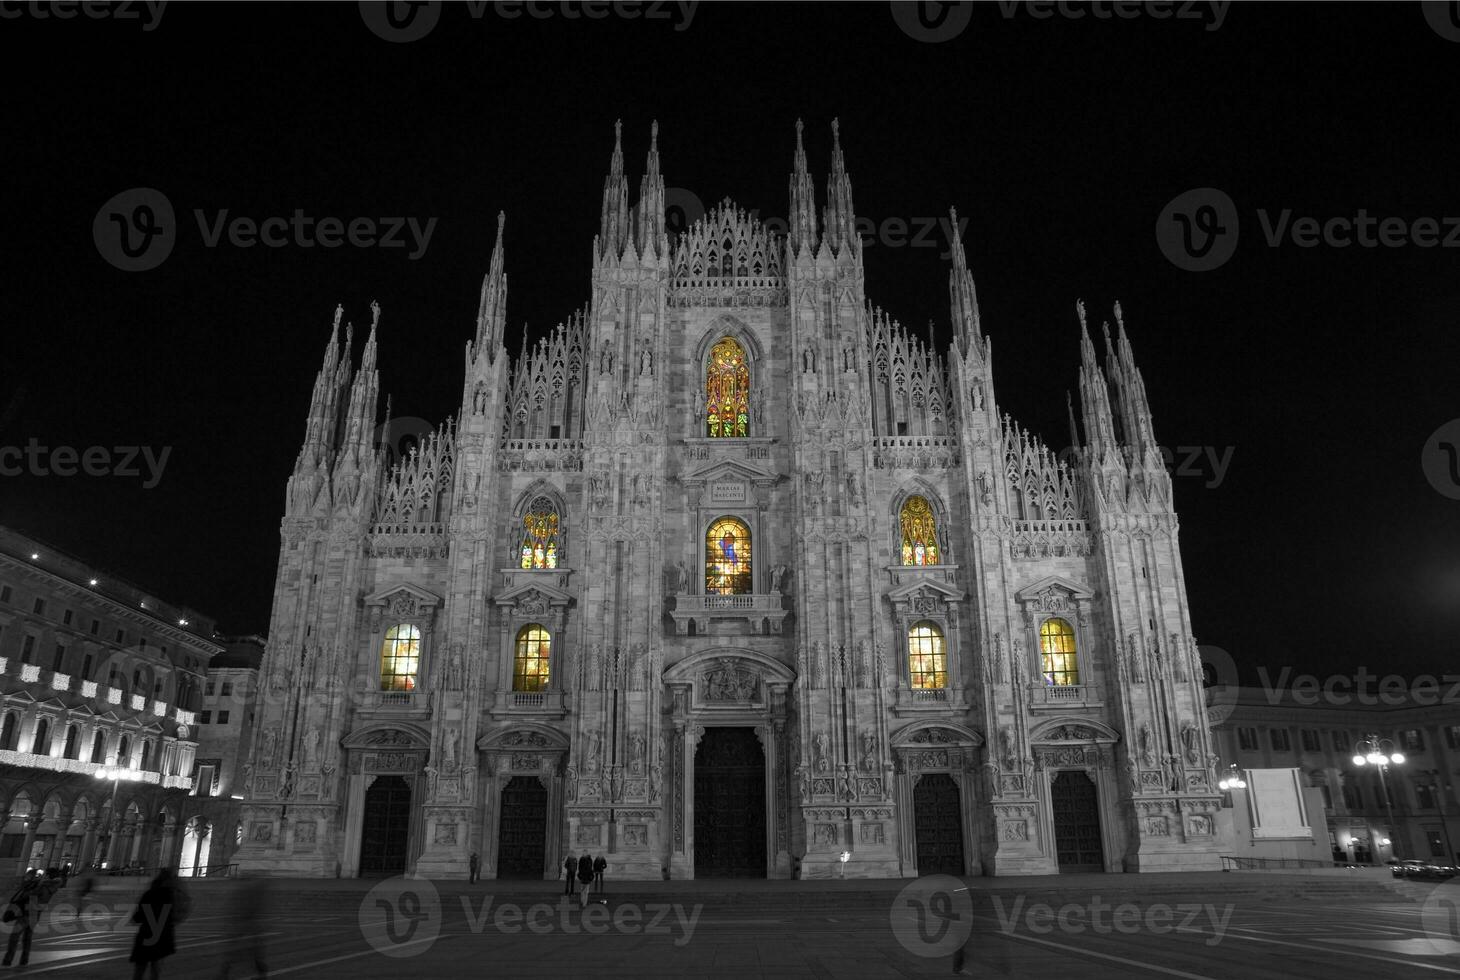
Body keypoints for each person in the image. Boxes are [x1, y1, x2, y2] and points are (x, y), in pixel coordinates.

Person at [130, 868, 189, 980]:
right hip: (162, 936)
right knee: (156, 969)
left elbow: (138, 916)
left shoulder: (149, 894)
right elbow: (177, 914)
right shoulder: (172, 897)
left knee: (139, 970)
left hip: (147, 935)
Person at [215, 876, 269, 979]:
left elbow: (233, 907)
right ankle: (261, 972)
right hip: (247, 924)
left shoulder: (241, 891)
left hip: (242, 924)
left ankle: (224, 972)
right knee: (253, 951)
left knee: (233, 950)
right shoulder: (252, 892)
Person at [1, 872, 41, 967]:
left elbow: (23, 899)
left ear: (31, 878)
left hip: (25, 915)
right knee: (27, 939)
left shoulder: (31, 888)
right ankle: (24, 960)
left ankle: (8, 960)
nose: (24, 878)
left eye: (27, 877)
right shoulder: (37, 887)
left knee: (14, 938)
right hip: (33, 915)